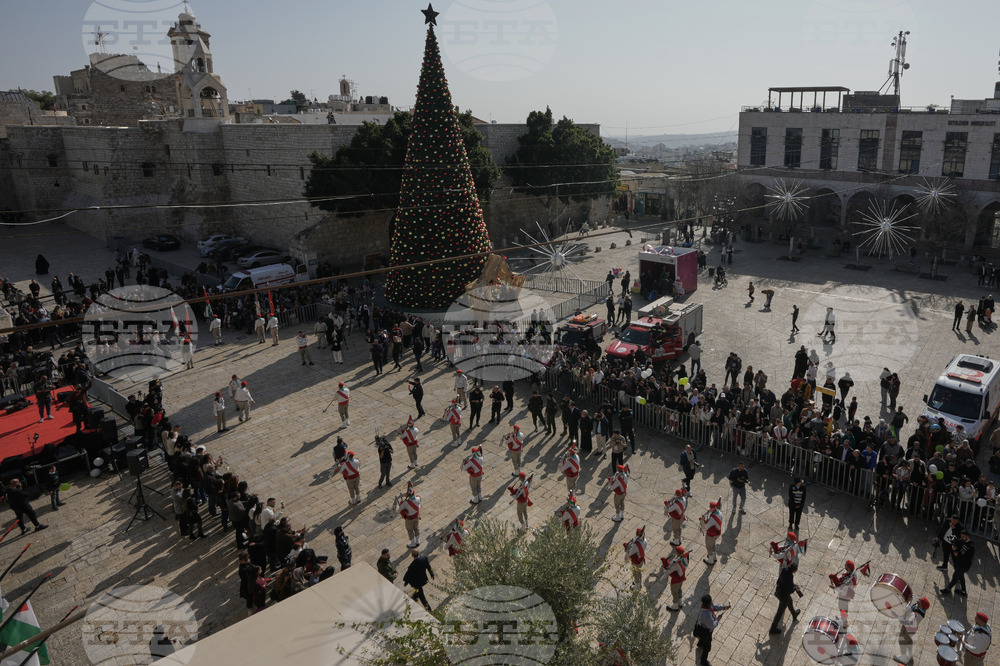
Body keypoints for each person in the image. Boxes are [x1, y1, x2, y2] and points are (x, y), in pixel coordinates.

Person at [829, 559, 869, 625]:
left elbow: (842, 588)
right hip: (846, 593)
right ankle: (843, 619)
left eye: (846, 565)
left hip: (845, 595)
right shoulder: (851, 573)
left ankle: (844, 622)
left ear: (849, 568)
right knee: (843, 608)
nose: (844, 566)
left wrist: (834, 587)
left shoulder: (849, 580)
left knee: (842, 608)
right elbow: (842, 579)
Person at [695, 594, 730, 666]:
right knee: (707, 648)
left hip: (701, 629)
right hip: (706, 632)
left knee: (702, 639)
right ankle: (703, 661)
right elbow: (713, 625)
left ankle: (700, 644)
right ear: (708, 604)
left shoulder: (705, 606)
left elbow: (714, 606)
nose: (712, 603)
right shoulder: (707, 615)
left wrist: (724, 607)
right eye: (711, 602)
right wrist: (718, 619)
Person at [893, 596, 930, 665]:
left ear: (921, 604)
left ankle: (903, 657)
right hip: (912, 629)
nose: (919, 598)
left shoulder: (917, 615)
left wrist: (897, 616)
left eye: (920, 600)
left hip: (907, 630)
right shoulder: (919, 607)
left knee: (902, 641)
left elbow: (906, 623)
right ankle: (909, 654)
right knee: (908, 640)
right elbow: (911, 609)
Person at [769, 563, 801, 634]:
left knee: (790, 600)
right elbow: (789, 590)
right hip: (783, 596)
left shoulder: (784, 570)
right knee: (779, 613)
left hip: (778, 591)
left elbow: (784, 583)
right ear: (794, 571)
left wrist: (793, 585)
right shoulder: (790, 576)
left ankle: (794, 614)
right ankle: (772, 629)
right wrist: (795, 588)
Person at [941, 529, 975, 595]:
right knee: (961, 576)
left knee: (955, 577)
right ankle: (963, 591)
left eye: (963, 537)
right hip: (959, 563)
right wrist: (954, 545)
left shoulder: (971, 547)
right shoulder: (962, 540)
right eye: (961, 536)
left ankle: (948, 589)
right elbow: (958, 544)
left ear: (967, 536)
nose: (962, 538)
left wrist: (958, 555)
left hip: (964, 565)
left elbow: (967, 558)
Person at [660, 544, 689, 611]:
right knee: (679, 589)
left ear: (677, 553)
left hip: (676, 580)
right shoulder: (685, 559)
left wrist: (664, 570)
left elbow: (669, 571)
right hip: (682, 576)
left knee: (674, 592)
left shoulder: (676, 563)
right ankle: (680, 602)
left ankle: (675, 606)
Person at [623, 526, 647, 590]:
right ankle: (640, 583)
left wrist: (627, 548)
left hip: (636, 561)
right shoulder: (645, 540)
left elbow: (629, 553)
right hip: (641, 559)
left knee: (635, 574)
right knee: (639, 571)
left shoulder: (635, 546)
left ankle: (637, 587)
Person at [397, 481, 420, 548]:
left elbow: (399, 511)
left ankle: (413, 543)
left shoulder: (406, 503)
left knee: (410, 530)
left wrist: (401, 504)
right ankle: (418, 541)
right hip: (416, 516)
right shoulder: (418, 498)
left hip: (409, 518)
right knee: (416, 528)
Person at [700, 499, 723, 565]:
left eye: (710, 507)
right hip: (717, 532)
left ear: (712, 508)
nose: (709, 508)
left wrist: (703, 521)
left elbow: (706, 527)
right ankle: (714, 557)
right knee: (712, 545)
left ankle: (710, 560)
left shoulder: (713, 518)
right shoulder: (719, 513)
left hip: (712, 534)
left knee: (709, 546)